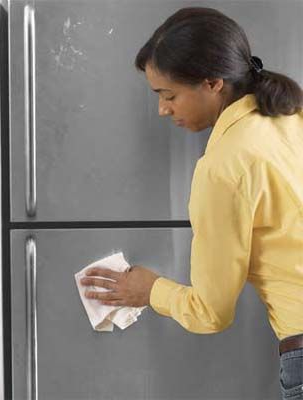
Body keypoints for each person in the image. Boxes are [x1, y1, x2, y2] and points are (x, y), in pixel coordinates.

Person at [80, 7, 303, 400]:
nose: (163, 109)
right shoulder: (291, 119)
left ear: (214, 83)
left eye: (169, 95)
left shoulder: (224, 167)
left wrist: (150, 290)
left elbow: (211, 312)